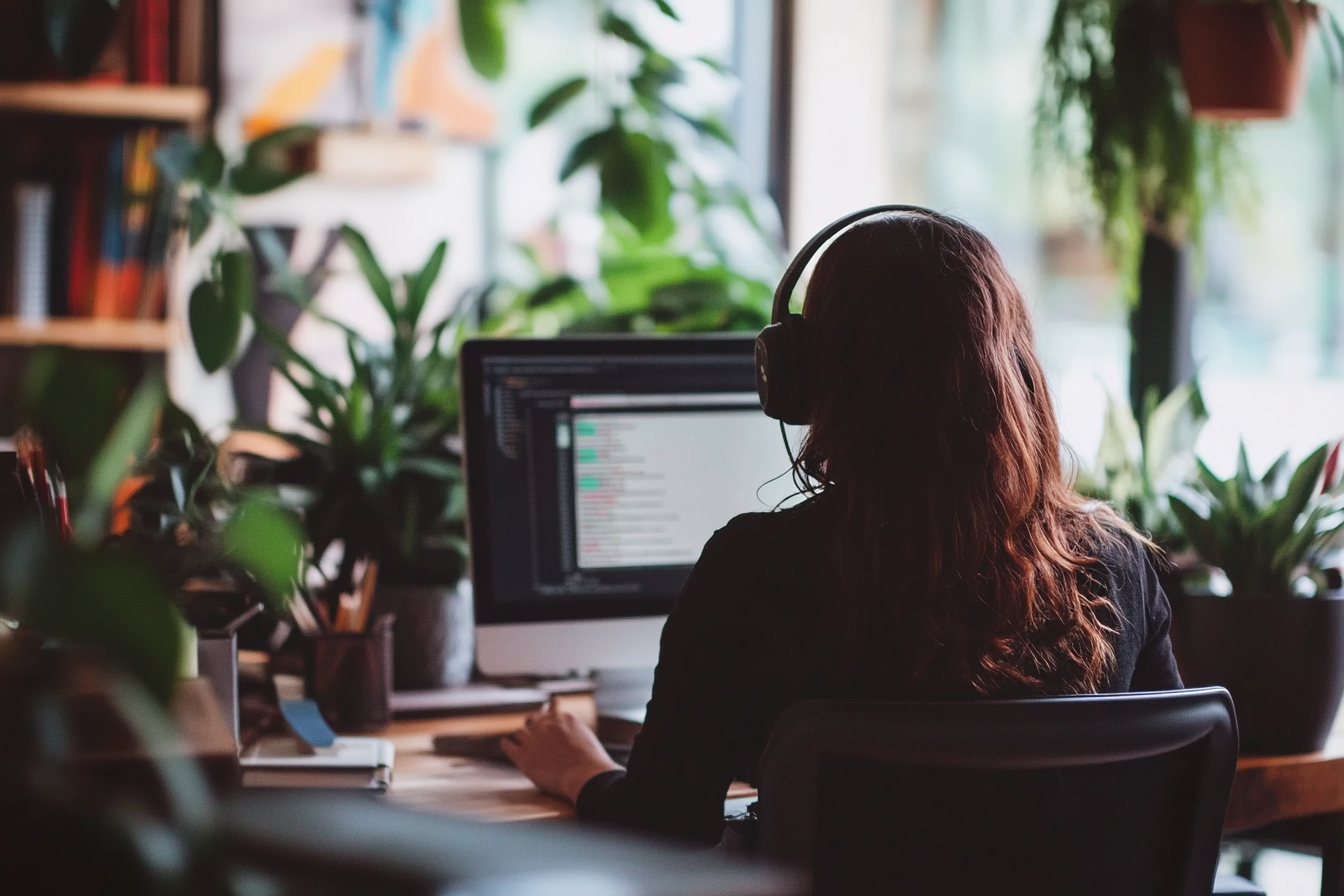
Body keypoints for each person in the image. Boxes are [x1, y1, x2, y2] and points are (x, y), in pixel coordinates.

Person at [501, 209, 1182, 846]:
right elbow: (1169, 787)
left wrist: (581, 772)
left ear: (804, 374)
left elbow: (666, 828)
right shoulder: (1114, 565)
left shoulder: (756, 571)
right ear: (1014, 369)